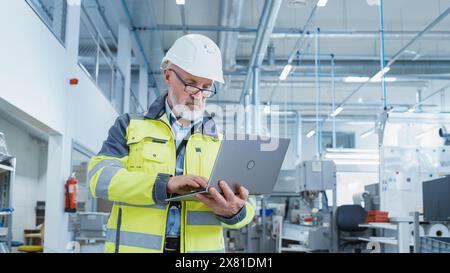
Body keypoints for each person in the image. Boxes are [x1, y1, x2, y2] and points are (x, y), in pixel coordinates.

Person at [88, 34, 255, 253]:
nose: (199, 95)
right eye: (191, 84)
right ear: (168, 76)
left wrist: (234, 212)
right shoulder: (130, 126)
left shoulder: (221, 141)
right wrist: (164, 185)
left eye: (207, 86)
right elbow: (99, 179)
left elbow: (248, 208)